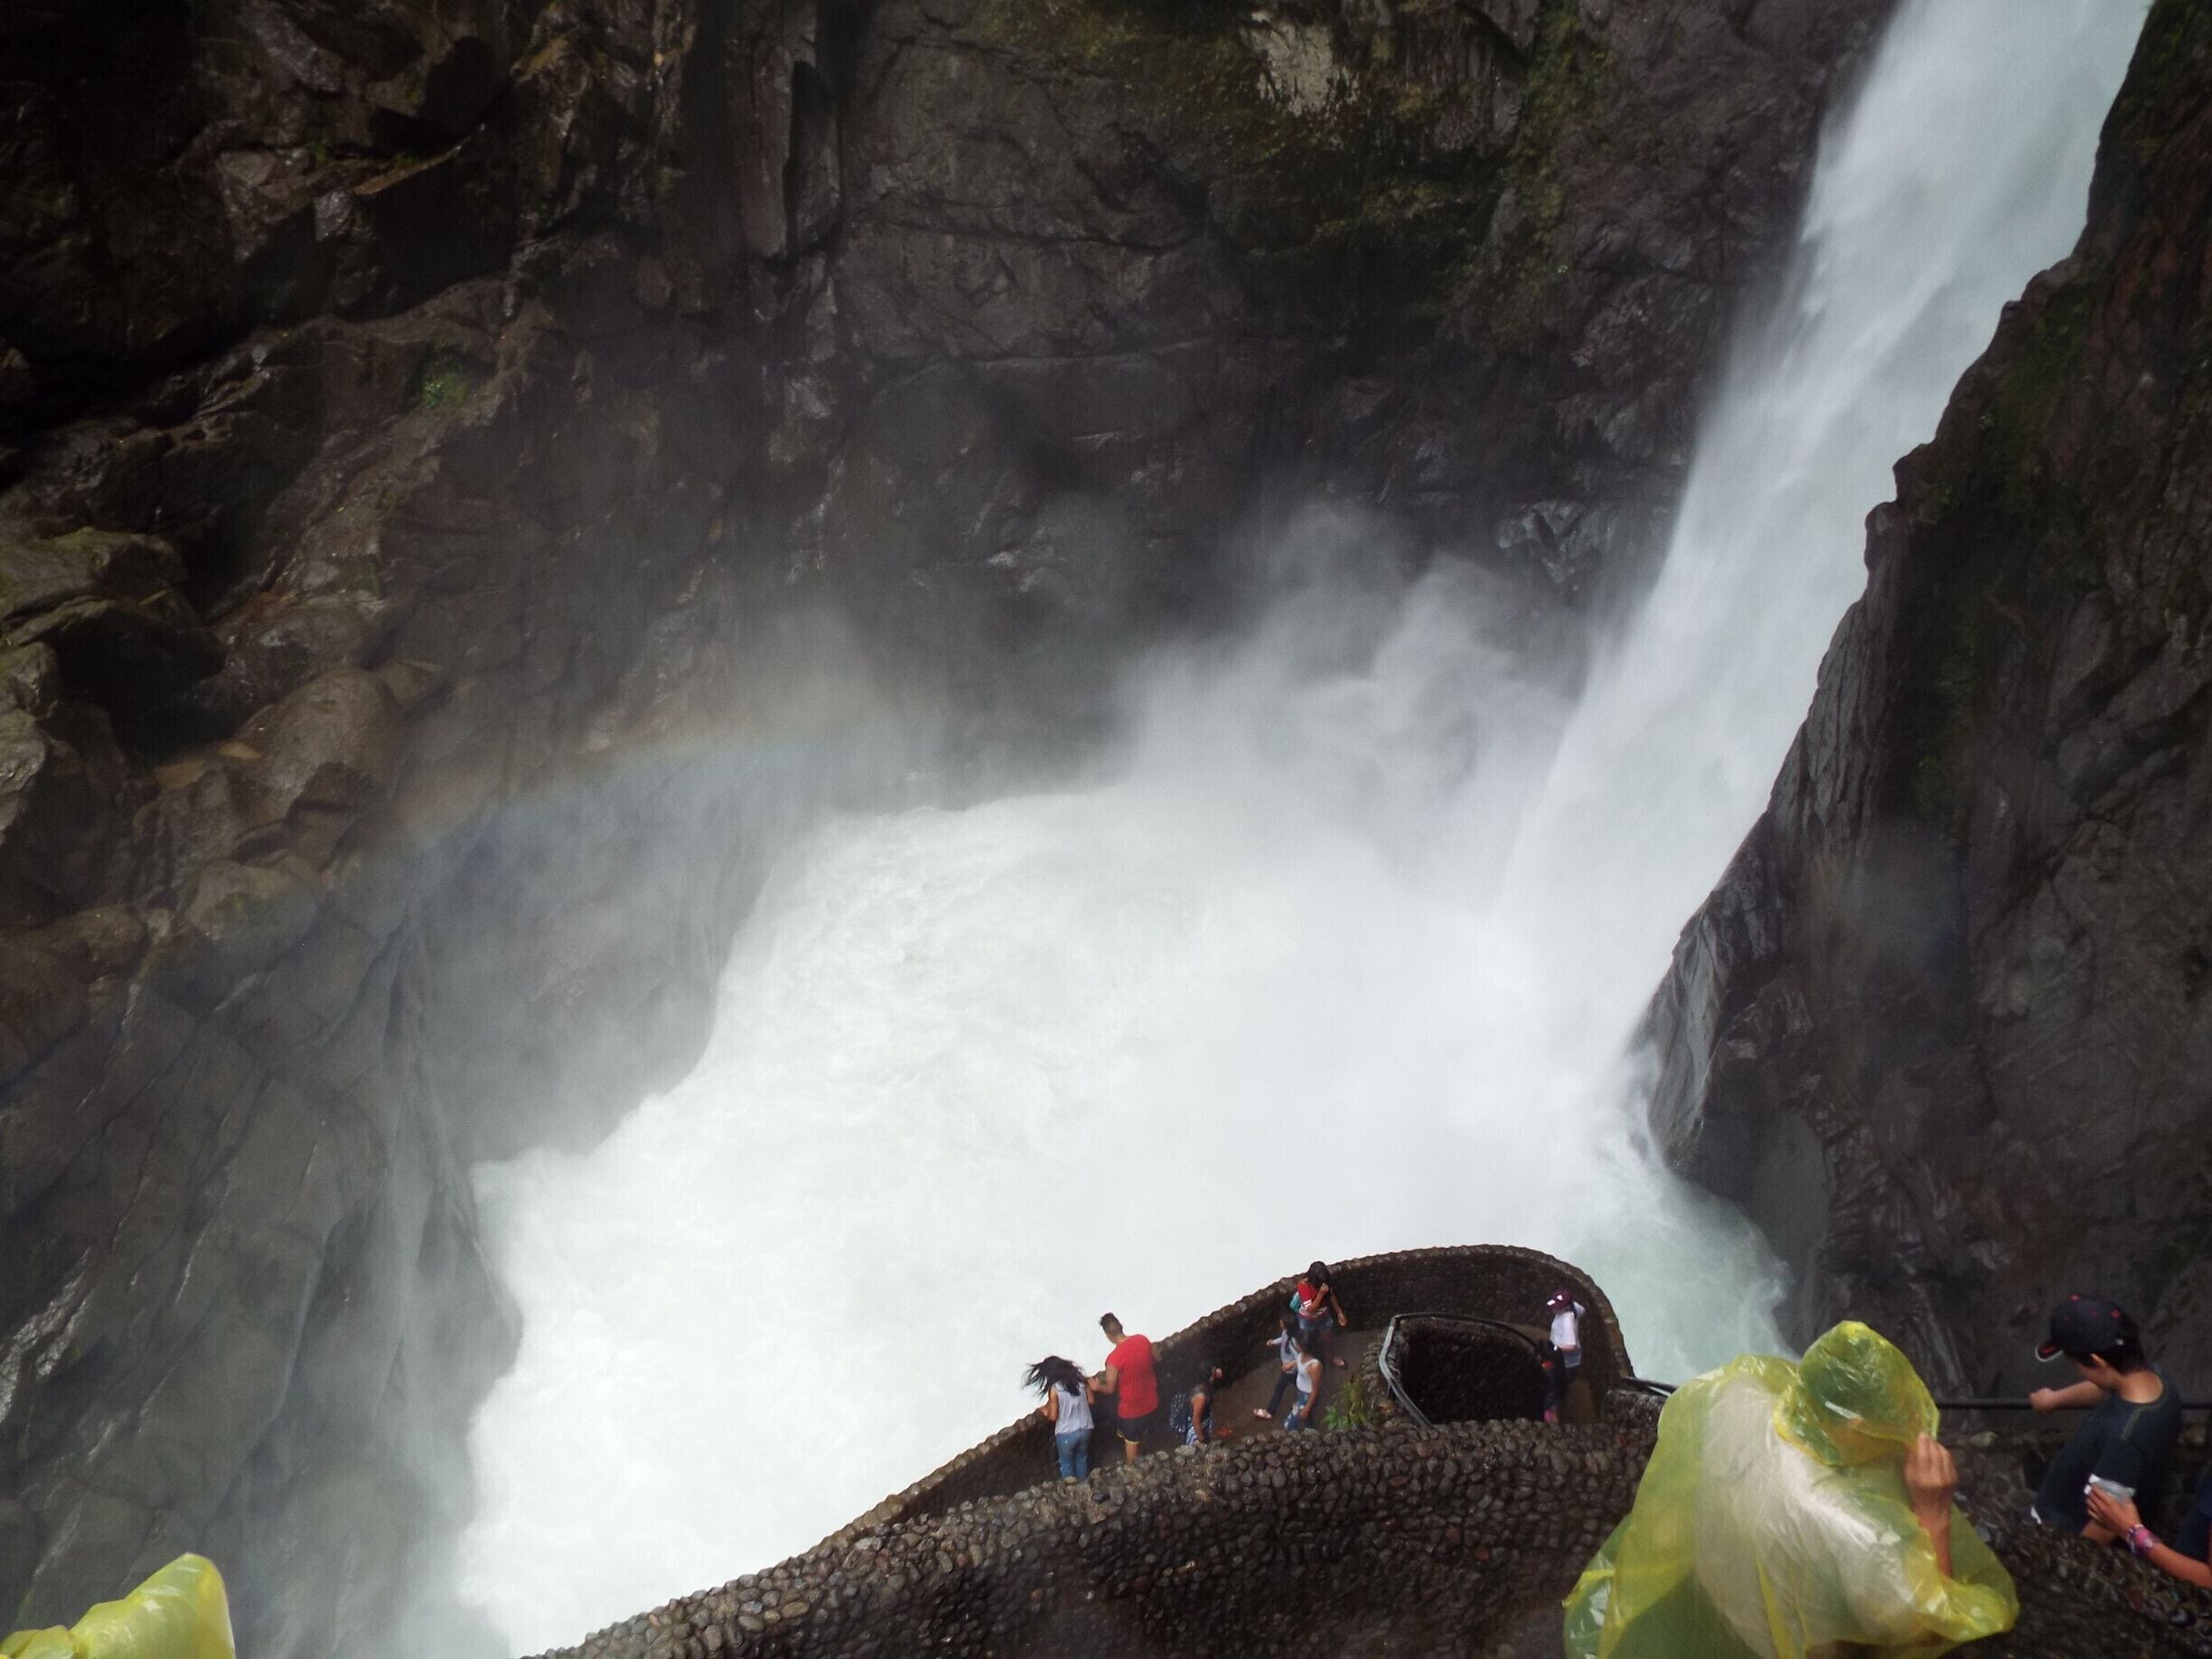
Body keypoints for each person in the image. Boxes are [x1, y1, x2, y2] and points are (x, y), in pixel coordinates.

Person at [1562, 1321, 2018, 1657]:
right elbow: (1923, 1623)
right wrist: (1933, 1510)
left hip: (1722, 1585)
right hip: (1783, 1637)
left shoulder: (1730, 1396)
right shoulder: (1856, 1534)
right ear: (1856, 1425)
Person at [2026, 1295, 2181, 1539]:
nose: (2077, 1370)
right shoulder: (2156, 1380)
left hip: (2061, 1536)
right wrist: (2054, 1399)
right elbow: (2107, 1384)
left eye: (2075, 1363)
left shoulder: (2126, 1439)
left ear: (2098, 1361)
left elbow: (2105, 1525)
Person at [1093, 1313, 1160, 1462]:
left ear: (1108, 1335)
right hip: (1151, 1403)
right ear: (1121, 1326)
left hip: (1131, 1411)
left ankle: (1134, 1476)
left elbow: (1110, 1389)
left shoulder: (1114, 1359)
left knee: (1132, 1449)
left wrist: (1097, 1387)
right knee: (1143, 1438)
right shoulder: (1142, 1340)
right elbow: (1157, 1358)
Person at [1026, 1354, 1095, 1481]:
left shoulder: (1055, 1389)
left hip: (1066, 1433)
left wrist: (1045, 1410)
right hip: (1086, 1428)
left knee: (1066, 1464)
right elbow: (1091, 1401)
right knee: (1081, 1459)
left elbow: (1053, 1416)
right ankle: (1084, 1485)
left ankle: (1071, 1492)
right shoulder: (1081, 1381)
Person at [1295, 1261, 1350, 1369]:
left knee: (1327, 1338)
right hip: (1307, 1319)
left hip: (1323, 1316)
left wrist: (1339, 1313)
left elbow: (1331, 1296)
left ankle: (1330, 1357)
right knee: (1306, 1341)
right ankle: (1308, 1364)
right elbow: (1310, 1309)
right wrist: (1320, 1294)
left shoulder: (1325, 1281)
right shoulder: (1303, 1285)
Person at [1254, 1311, 1301, 1423]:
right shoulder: (1287, 1332)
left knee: (1279, 1388)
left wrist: (1289, 1365)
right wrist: (1274, 1342)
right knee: (1298, 1385)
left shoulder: (1294, 1341)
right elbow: (1282, 1339)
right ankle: (1307, 1397)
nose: (1280, 1322)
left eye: (1282, 1322)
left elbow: (1300, 1358)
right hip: (1290, 1370)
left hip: (1290, 1370)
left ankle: (1270, 1412)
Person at [1177, 1363, 1232, 1447]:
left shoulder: (1205, 1386)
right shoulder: (1200, 1397)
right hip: (1195, 1431)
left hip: (1204, 1423)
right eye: (1212, 1375)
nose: (1214, 1376)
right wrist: (1202, 1440)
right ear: (1207, 1378)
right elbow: (1196, 1420)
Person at [1282, 1324, 1324, 1432]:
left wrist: (1307, 1407)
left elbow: (1315, 1389)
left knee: (1289, 1424)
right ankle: (1312, 1433)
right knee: (1307, 1420)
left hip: (1307, 1396)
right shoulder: (1302, 1354)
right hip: (1301, 1392)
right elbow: (1299, 1360)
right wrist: (1292, 1364)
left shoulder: (1314, 1366)